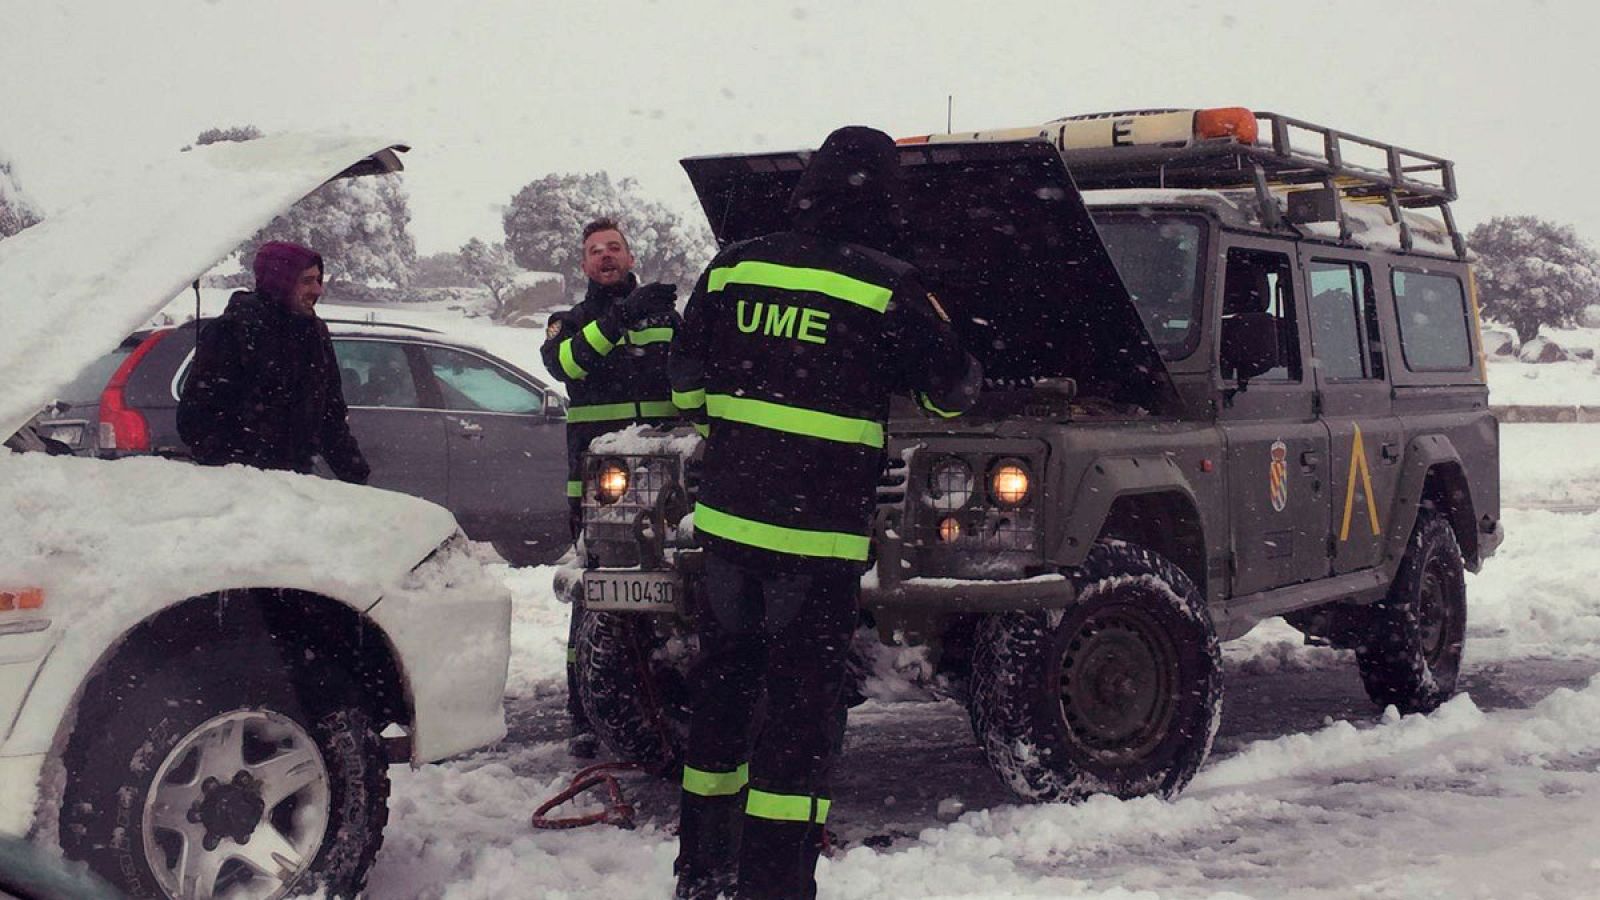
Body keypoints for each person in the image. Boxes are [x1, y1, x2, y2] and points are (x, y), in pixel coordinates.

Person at [668, 126, 982, 900]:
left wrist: (742, 444)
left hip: (728, 536)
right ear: (883, 196)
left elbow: (683, 384)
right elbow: (950, 397)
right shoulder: (886, 285)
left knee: (723, 703)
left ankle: (704, 871)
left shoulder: (734, 264)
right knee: (800, 725)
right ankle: (776, 885)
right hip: (816, 546)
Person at [539, 217, 680, 756]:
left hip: (671, 483)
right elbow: (564, 363)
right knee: (594, 597)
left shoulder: (666, 317)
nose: (606, 256)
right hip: (600, 489)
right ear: (584, 265)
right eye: (595, 251)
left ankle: (664, 695)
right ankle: (583, 710)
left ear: (629, 254)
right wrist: (620, 318)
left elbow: (696, 377)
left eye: (614, 248)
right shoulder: (570, 321)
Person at [178, 241, 369, 484]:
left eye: (318, 280)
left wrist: (356, 477)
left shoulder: (314, 333)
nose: (318, 290)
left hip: (297, 482)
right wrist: (242, 468)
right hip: (242, 486)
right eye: (307, 281)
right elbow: (196, 418)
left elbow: (330, 416)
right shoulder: (232, 331)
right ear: (281, 281)